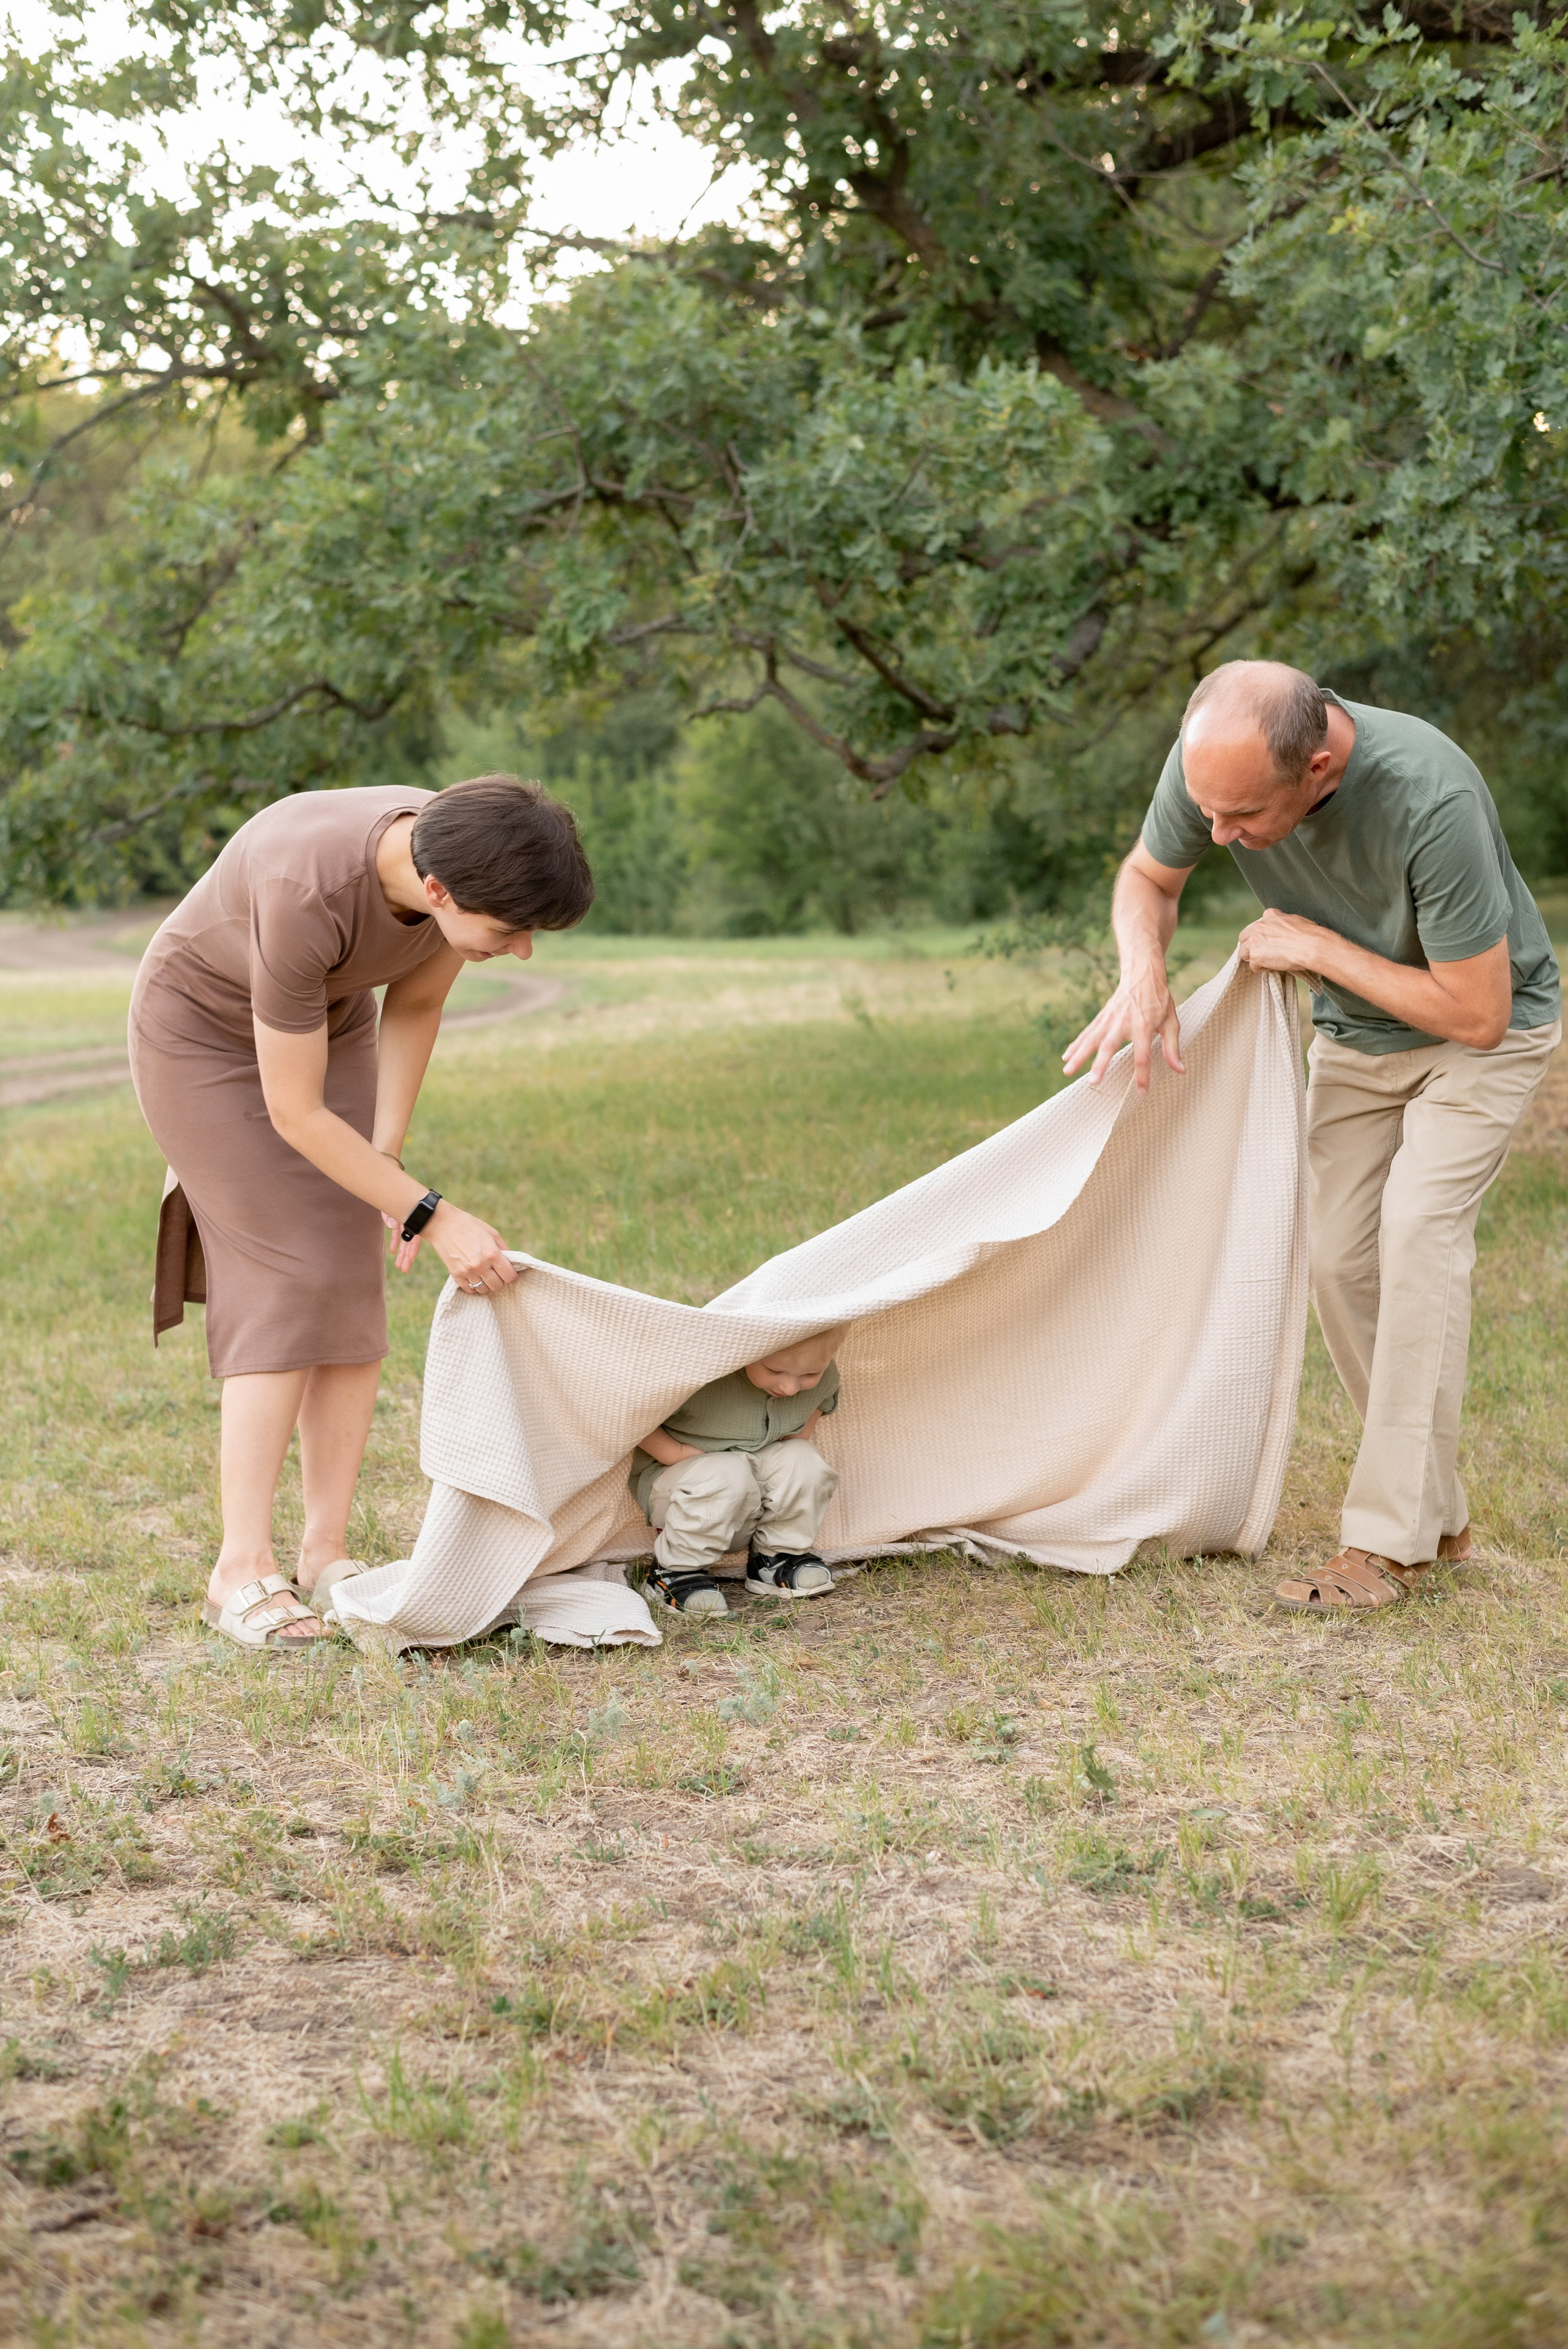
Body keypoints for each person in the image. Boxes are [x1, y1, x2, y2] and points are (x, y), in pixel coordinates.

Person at [1065, 662, 1560, 1610]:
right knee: (1337, 1261)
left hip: (1481, 1039)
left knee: (1417, 1235)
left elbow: (1479, 1013)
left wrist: (1321, 948)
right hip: (1358, 1039)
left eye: (1243, 815)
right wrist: (1141, 968)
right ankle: (1434, 1513)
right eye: (1209, 810)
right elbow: (1148, 878)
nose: (1219, 834)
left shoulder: (1432, 796)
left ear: (1319, 765)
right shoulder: (1217, 760)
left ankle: (1386, 1543)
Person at [129, 775, 593, 1648]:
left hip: (325, 1021)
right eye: (510, 931)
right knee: (287, 1274)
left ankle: (325, 1552)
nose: (523, 950)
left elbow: (414, 1002)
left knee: (346, 1273)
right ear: (438, 891)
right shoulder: (305, 886)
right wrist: (433, 1215)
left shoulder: (459, 848)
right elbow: (295, 1112)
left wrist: (388, 1165)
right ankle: (238, 1568)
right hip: (199, 1034)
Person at [630, 1330, 846, 1616]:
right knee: (725, 1470)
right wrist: (675, 1452)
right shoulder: (705, 1374)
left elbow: (796, 1438)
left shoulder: (825, 1379)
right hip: (684, 1491)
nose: (790, 1388)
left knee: (803, 1458)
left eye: (810, 1374)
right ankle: (676, 1569)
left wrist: (778, 1474)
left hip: (752, 1494)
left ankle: (777, 1557)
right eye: (774, 1371)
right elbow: (632, 1413)